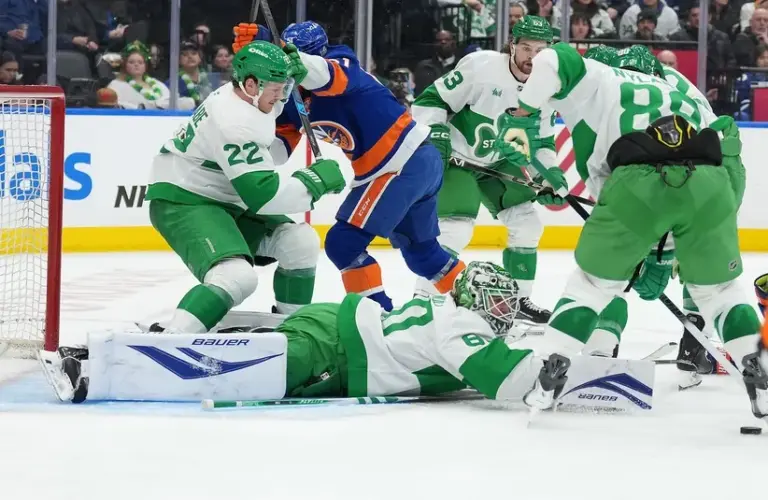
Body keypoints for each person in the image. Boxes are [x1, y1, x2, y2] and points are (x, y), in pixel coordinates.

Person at [494, 41, 767, 418]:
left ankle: (549, 371)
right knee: (721, 293)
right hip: (710, 186)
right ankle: (759, 370)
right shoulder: (685, 90)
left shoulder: (600, 76)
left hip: (635, 184)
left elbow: (551, 59)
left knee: (591, 288)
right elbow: (730, 161)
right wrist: (669, 253)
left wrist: (521, 113)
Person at [39, 262, 571, 406]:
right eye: (497, 301)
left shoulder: (444, 307)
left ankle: (143, 334)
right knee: (221, 369)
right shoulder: (464, 324)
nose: (504, 310)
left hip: (332, 323)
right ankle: (93, 367)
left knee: (238, 338)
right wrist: (547, 382)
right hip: (334, 354)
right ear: (477, 303)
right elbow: (508, 383)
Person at [233, 21, 466, 312]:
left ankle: (378, 320)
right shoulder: (288, 98)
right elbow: (279, 148)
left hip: (400, 162)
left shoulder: (341, 61)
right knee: (423, 255)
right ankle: (484, 305)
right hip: (411, 163)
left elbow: (325, 75)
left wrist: (285, 55)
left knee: (343, 243)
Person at [142, 41, 346, 334]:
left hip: (226, 199)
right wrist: (316, 181)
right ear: (251, 85)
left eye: (284, 88)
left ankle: (293, 330)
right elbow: (264, 196)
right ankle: (171, 343)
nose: (281, 98)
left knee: (300, 242)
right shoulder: (235, 121)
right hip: (185, 199)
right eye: (277, 89)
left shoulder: (249, 97)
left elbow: (271, 152)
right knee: (236, 276)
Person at [410, 16, 564, 333]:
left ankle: (517, 301)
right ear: (511, 46)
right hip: (457, 158)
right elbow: (430, 99)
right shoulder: (481, 67)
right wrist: (437, 132)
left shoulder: (548, 89)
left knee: (527, 223)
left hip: (498, 161)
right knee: (455, 230)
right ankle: (423, 301)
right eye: (525, 48)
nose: (531, 57)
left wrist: (549, 176)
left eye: (539, 50)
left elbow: (542, 142)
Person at [107, 41, 195, 110]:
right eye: (131, 62)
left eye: (140, 62)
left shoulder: (157, 84)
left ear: (145, 66)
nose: (136, 65)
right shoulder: (116, 85)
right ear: (125, 65)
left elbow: (170, 103)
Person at [413, 30, 458, 97]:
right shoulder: (423, 66)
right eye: (439, 40)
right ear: (434, 44)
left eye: (447, 40)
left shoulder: (462, 66)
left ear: (454, 43)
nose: (443, 42)